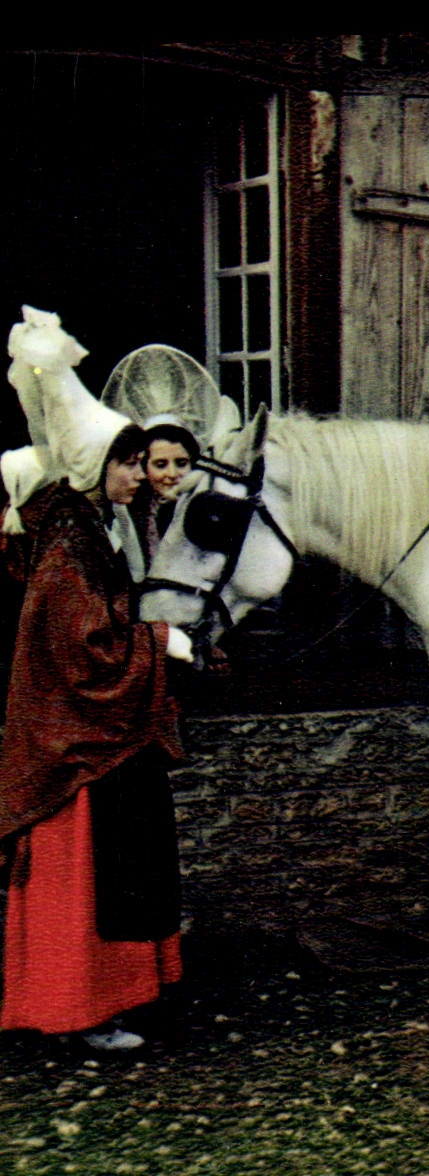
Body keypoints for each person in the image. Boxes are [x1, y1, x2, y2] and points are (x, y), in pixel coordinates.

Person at [0, 340, 195, 1051]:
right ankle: (76, 1008)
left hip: (101, 736)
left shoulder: (94, 526)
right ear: (94, 467)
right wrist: (159, 641)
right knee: (82, 873)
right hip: (78, 745)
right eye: (129, 462)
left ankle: (119, 996)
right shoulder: (67, 544)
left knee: (122, 865)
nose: (141, 473)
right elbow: (83, 647)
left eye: (141, 462)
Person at [125, 413, 198, 570]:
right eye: (160, 465)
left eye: (181, 463)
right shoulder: (129, 515)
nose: (172, 474)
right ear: (144, 468)